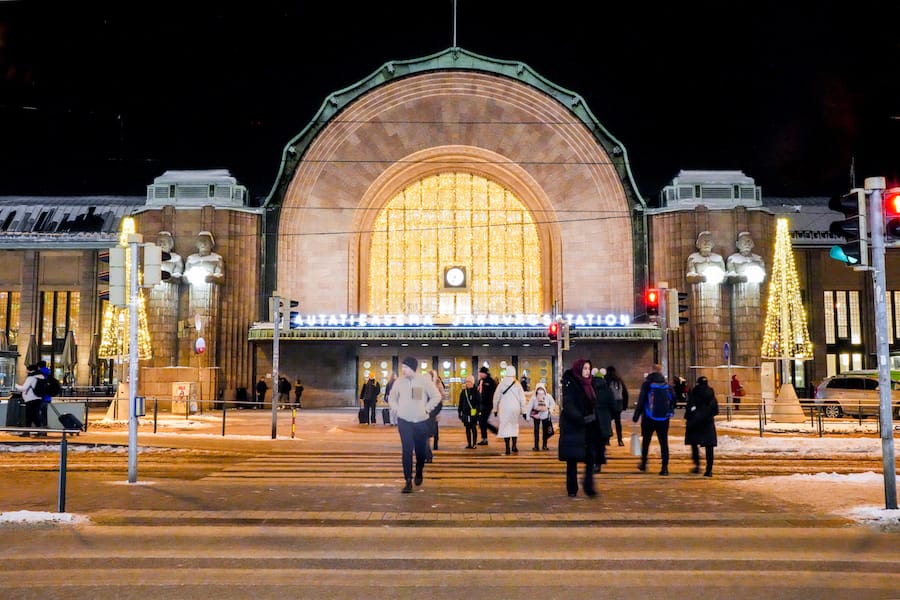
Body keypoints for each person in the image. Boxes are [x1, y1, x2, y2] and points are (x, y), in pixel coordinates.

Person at [387, 356, 442, 493]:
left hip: (420, 421)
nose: (403, 370)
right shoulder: (399, 382)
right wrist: (396, 408)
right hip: (404, 421)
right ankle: (407, 481)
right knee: (406, 450)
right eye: (402, 367)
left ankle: (419, 470)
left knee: (420, 451)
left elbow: (437, 396)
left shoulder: (423, 380)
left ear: (412, 368)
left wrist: (426, 409)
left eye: (405, 367)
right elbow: (391, 398)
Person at [558, 358, 599, 498]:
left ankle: (588, 484)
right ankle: (572, 488)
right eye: (585, 369)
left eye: (589, 368)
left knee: (591, 457)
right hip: (574, 427)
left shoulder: (591, 384)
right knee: (572, 460)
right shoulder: (571, 384)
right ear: (579, 369)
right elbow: (568, 405)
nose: (587, 372)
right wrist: (580, 419)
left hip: (589, 427)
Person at [632, 363, 674, 476]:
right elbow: (673, 400)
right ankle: (665, 468)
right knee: (664, 443)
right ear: (660, 371)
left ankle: (644, 463)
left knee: (646, 441)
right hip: (664, 419)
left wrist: (636, 416)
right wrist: (670, 410)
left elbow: (641, 401)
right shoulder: (667, 385)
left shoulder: (647, 384)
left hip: (648, 417)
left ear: (652, 371)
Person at [685, 375, 719, 477]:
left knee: (694, 444)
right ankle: (709, 470)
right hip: (708, 423)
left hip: (695, 423)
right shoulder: (711, 395)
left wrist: (690, 417)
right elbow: (716, 410)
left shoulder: (694, 393)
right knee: (709, 447)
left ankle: (697, 465)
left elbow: (689, 408)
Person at [493, 364, 526, 455]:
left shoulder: (502, 383)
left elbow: (496, 397)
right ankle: (514, 446)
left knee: (505, 426)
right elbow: (522, 398)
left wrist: (495, 409)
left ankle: (507, 448)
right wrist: (524, 411)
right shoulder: (517, 384)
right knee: (514, 425)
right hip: (515, 408)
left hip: (504, 408)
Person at [590, 367, 614, 473]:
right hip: (604, 419)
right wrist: (609, 416)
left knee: (592, 442)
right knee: (601, 443)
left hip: (592, 419)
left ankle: (592, 462)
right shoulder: (607, 389)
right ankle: (599, 463)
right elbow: (613, 405)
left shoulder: (590, 388)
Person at [15, 363, 44, 435]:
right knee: (34, 415)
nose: (26, 371)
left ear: (30, 370)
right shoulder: (41, 377)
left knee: (29, 416)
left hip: (30, 399)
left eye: (27, 370)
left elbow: (23, 388)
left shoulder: (31, 378)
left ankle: (28, 432)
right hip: (38, 399)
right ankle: (39, 431)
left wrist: (15, 385)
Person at [525, 383, 556, 451]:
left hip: (536, 415)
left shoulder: (534, 397)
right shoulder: (548, 396)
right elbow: (553, 404)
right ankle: (544, 446)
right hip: (544, 415)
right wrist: (549, 410)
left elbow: (529, 407)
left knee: (536, 431)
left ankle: (536, 446)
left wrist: (528, 416)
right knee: (544, 431)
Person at [604, 365, 629, 446]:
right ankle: (620, 440)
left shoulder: (606, 380)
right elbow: (625, 393)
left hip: (609, 405)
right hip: (618, 404)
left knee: (608, 423)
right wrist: (624, 405)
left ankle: (607, 440)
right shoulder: (619, 380)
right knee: (618, 423)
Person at [457, 374, 481, 449]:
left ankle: (474, 443)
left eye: (469, 382)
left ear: (473, 383)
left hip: (474, 414)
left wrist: (477, 410)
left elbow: (479, 403)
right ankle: (469, 444)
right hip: (465, 413)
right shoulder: (463, 392)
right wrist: (459, 412)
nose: (467, 383)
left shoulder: (476, 392)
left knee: (473, 428)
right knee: (467, 428)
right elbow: (460, 403)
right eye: (466, 382)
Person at [476, 366, 498, 445]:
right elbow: (478, 391)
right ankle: (485, 438)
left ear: (485, 373)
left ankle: (492, 433)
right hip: (480, 404)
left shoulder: (491, 382)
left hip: (487, 404)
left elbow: (494, 393)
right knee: (482, 421)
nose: (480, 374)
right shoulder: (480, 381)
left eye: (481, 373)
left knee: (483, 421)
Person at [427, 370, 445, 451]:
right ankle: (427, 446)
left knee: (435, 426)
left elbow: (443, 395)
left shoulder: (437, 383)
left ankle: (435, 444)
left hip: (435, 409)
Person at [36, 360, 52, 430]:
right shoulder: (49, 373)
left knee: (37, 413)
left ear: (38, 366)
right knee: (44, 413)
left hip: (41, 397)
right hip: (48, 397)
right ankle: (44, 428)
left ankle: (41, 428)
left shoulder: (39, 374)